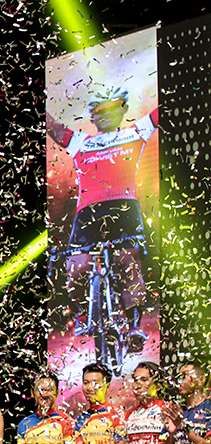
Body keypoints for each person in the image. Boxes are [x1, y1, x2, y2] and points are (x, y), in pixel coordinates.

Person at [46, 86, 158, 351]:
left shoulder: (135, 132)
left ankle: (134, 325)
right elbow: (54, 128)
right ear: (92, 117)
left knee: (128, 263)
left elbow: (159, 114)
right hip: (88, 212)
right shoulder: (81, 142)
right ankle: (82, 313)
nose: (105, 114)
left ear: (123, 110)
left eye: (112, 108)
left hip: (124, 206)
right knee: (76, 267)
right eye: (99, 110)